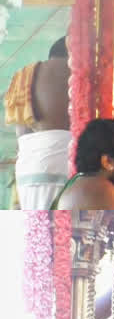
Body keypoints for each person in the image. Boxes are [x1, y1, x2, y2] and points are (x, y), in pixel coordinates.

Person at [5, 37, 71, 209]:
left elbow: (22, 135)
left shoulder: (24, 75)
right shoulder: (83, 71)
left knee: (38, 229)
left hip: (31, 167)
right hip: (71, 163)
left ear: (51, 56)